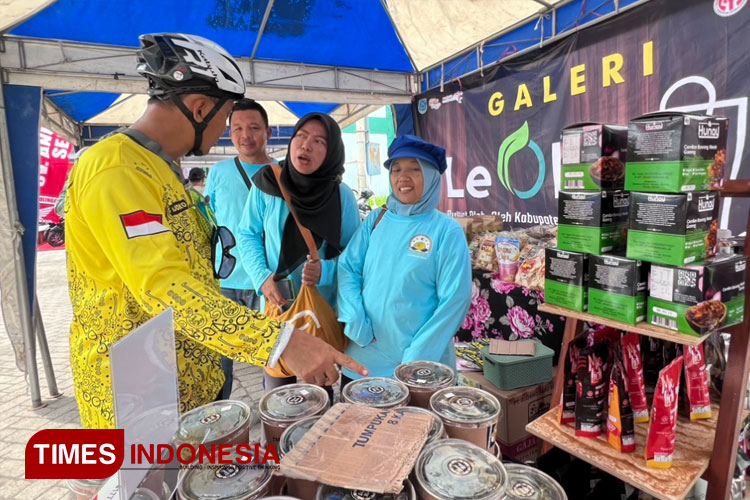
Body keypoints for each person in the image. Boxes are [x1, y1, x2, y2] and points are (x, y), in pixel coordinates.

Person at [64, 33, 366, 429]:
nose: (229, 131)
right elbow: (165, 287)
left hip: (189, 382)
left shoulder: (162, 170)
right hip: (141, 397)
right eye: (227, 119)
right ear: (200, 107)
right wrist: (281, 341)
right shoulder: (118, 170)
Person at [237, 112, 361, 392]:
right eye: (301, 137)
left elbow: (356, 257)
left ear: (331, 154)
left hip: (320, 312)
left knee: (317, 396)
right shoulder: (267, 184)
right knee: (278, 397)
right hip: (277, 303)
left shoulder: (341, 197)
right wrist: (262, 277)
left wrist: (325, 271)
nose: (306, 145)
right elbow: (247, 233)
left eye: (319, 141)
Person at [336, 135, 472, 384]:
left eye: (414, 169)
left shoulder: (446, 230)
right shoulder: (377, 219)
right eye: (396, 169)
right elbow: (348, 268)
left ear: (431, 176)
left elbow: (454, 301)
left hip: (418, 372)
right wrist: (355, 319)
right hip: (361, 363)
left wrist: (416, 360)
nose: (403, 177)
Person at [204, 98, 274, 399]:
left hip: (270, 283)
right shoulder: (219, 172)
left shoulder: (283, 173)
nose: (246, 135)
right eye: (238, 129)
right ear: (229, 134)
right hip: (227, 280)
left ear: (268, 133)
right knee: (221, 360)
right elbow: (209, 224)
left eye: (254, 128)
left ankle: (277, 415)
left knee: (274, 359)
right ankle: (221, 420)